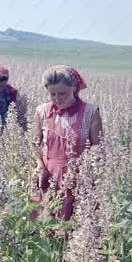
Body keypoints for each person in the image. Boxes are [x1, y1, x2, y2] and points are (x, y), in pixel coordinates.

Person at [32, 65, 102, 221]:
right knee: (45, 227)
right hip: (47, 177)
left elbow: (98, 150)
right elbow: (36, 145)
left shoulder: (91, 113)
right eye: (52, 94)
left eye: (62, 93)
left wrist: (84, 172)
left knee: (75, 229)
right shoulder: (41, 111)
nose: (57, 99)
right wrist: (39, 166)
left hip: (79, 178)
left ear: (74, 89)